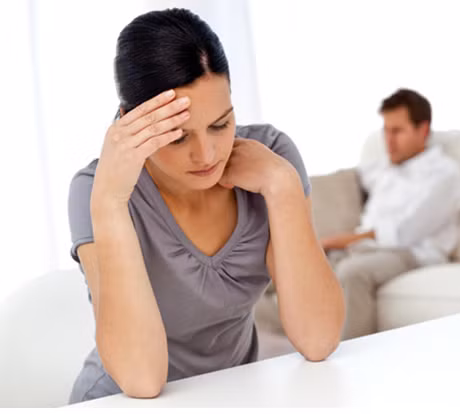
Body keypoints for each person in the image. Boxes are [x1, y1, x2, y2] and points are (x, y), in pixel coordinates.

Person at [67, 8, 345, 404]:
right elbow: (141, 380)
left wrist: (282, 186)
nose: (207, 154)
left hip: (233, 397)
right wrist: (110, 203)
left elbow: (319, 340)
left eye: (220, 124)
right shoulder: (98, 190)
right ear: (130, 124)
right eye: (178, 137)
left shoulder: (272, 158)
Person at [321, 88, 460, 340]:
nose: (389, 141)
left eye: (397, 131)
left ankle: (352, 355)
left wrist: (344, 240)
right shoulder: (385, 168)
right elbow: (348, 179)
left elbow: (405, 233)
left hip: (412, 253)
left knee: (353, 273)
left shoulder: (445, 174)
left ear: (423, 130)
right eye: (386, 130)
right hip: (368, 246)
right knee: (306, 265)